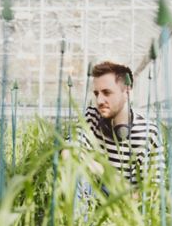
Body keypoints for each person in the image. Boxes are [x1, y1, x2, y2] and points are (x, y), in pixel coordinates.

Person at [63, 61, 165, 199]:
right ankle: (81, 221)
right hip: (94, 201)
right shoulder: (91, 117)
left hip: (128, 208)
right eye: (96, 93)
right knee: (76, 171)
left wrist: (104, 173)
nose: (99, 100)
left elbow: (154, 194)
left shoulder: (148, 133)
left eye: (107, 92)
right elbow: (67, 152)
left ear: (127, 91)